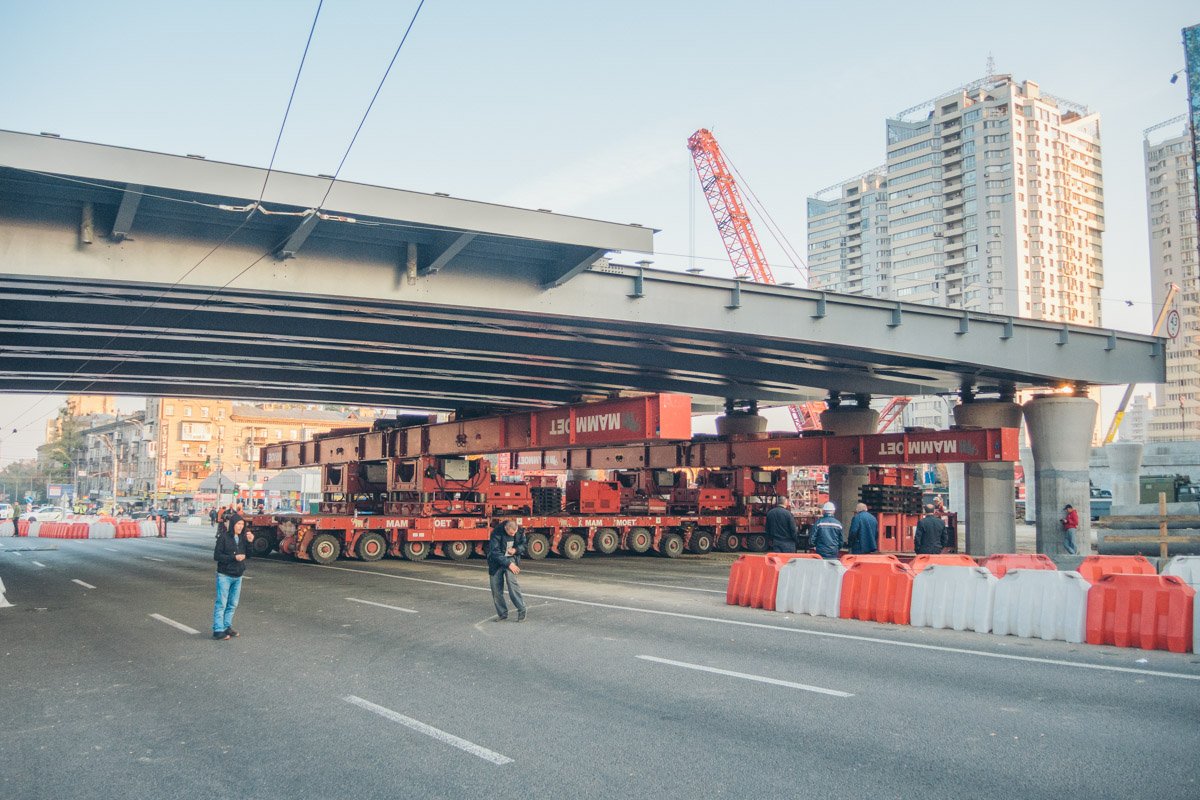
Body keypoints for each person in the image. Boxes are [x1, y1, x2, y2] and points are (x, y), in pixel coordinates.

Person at [212, 516, 254, 640]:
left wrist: (250, 542)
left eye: (242, 524)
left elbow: (249, 554)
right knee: (221, 603)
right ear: (233, 525)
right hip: (225, 575)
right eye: (238, 524)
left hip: (238, 574)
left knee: (233, 603)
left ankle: (227, 626)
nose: (240, 526)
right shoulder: (223, 537)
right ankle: (218, 629)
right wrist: (233, 558)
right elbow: (217, 556)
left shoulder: (242, 538)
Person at [486, 520, 527, 621]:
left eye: (515, 533)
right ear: (506, 529)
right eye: (511, 533)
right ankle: (502, 614)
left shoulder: (520, 531)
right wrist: (509, 564)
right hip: (496, 562)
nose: (513, 535)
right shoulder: (496, 533)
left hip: (511, 559)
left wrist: (516, 550)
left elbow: (524, 546)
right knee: (496, 589)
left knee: (512, 584)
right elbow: (495, 552)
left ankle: (522, 610)